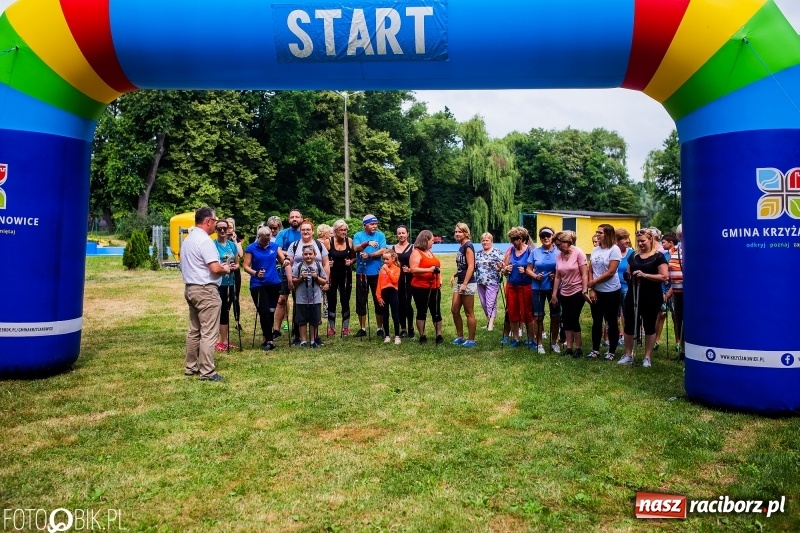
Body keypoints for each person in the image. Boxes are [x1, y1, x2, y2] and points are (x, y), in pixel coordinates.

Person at [182, 207, 230, 381]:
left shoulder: (188, 240)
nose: (216, 224)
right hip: (206, 290)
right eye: (215, 221)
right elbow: (214, 268)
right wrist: (225, 268)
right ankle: (207, 371)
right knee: (209, 332)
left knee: (194, 330)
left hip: (191, 288)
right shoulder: (205, 241)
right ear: (208, 221)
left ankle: (190, 366)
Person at [617, 229, 669, 367]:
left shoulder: (658, 256)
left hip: (651, 295)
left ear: (650, 240)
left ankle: (647, 357)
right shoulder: (633, 256)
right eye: (638, 241)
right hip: (633, 294)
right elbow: (627, 272)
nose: (640, 243)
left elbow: (664, 276)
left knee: (649, 325)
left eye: (642, 241)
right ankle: (628, 354)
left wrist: (645, 275)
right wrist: (629, 277)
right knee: (629, 323)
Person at [285, 219, 330, 344]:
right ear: (300, 231)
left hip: (316, 281)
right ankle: (299, 337)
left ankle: (314, 338)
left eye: (308, 229)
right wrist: (290, 280)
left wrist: (326, 281)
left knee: (315, 309)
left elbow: (326, 264)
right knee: (300, 308)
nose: (305, 232)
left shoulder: (319, 245)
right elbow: (289, 263)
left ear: (313, 231)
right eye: (303, 229)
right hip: (299, 282)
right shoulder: (294, 245)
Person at [243, 226, 284, 351]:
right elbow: (245, 266)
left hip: (274, 283)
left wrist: (286, 262)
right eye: (264, 240)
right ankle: (270, 340)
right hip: (258, 284)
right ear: (258, 237)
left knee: (271, 311)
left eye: (268, 240)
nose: (266, 243)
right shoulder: (251, 248)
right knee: (264, 311)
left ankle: (266, 336)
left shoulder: (274, 246)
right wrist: (255, 273)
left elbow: (282, 259)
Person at [551, 231, 589, 358]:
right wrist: (554, 294)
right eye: (556, 245)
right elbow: (557, 276)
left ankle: (578, 348)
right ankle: (569, 348)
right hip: (564, 292)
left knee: (573, 318)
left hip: (577, 291)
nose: (557, 247)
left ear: (567, 242)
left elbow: (585, 273)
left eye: (559, 244)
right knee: (566, 319)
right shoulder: (559, 255)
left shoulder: (579, 252)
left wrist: (584, 291)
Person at [587, 224, 622, 360]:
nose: (597, 235)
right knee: (596, 320)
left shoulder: (614, 250)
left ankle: (611, 351)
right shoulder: (595, 249)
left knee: (611, 321)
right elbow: (591, 269)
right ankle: (595, 350)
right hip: (597, 291)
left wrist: (594, 282)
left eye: (600, 232)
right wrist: (592, 288)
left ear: (608, 234)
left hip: (611, 291)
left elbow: (611, 272)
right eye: (597, 232)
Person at [525, 227, 560, 354]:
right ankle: (539, 343)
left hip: (553, 288)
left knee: (555, 316)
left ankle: (554, 342)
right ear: (540, 238)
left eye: (548, 235)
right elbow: (528, 269)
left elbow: (563, 269)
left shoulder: (559, 252)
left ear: (552, 237)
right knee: (538, 316)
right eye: (543, 236)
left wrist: (555, 274)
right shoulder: (535, 252)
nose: (546, 238)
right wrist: (535, 276)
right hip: (537, 287)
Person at [353, 214, 387, 338]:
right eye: (372, 224)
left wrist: (370, 255)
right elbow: (355, 248)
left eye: (376, 224)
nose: (375, 226)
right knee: (361, 301)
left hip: (377, 273)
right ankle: (362, 328)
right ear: (365, 225)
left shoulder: (380, 235)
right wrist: (366, 243)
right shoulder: (358, 235)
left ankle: (379, 328)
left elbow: (384, 250)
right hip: (362, 273)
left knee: (379, 300)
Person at [409, 229, 444, 344]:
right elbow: (413, 269)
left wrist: (440, 278)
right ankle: (422, 335)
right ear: (426, 239)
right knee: (422, 311)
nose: (433, 242)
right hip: (420, 287)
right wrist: (429, 270)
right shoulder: (416, 252)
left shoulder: (429, 252)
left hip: (434, 286)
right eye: (432, 240)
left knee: (436, 311)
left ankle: (439, 335)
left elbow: (437, 267)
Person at [501, 227, 534, 348]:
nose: (513, 242)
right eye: (511, 239)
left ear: (522, 239)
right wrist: (505, 269)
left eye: (515, 239)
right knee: (513, 313)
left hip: (526, 286)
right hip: (511, 286)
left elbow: (535, 269)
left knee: (527, 314)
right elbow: (503, 270)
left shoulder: (530, 251)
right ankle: (515, 338)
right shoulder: (510, 251)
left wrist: (526, 271)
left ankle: (531, 339)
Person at [273, 209, 302, 338]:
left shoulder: (305, 233)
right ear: (288, 219)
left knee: (299, 301)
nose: (294, 219)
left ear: (301, 218)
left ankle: (297, 329)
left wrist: (290, 254)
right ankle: (276, 329)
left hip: (300, 271)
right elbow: (277, 250)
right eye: (292, 217)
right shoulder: (282, 234)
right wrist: (287, 257)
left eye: (297, 217)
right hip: (284, 271)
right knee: (281, 300)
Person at [292, 245, 327, 348]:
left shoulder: (318, 265)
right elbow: (293, 281)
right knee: (302, 319)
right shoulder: (299, 266)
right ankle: (303, 340)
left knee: (314, 319)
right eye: (306, 254)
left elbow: (324, 281)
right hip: (301, 297)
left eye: (310, 254)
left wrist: (316, 277)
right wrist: (301, 278)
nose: (308, 256)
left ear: (315, 255)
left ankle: (312, 340)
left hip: (315, 297)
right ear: (302, 255)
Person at [324, 219, 355, 336]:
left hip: (345, 275)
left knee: (345, 299)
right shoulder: (329, 242)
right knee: (331, 300)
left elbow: (354, 257)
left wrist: (350, 262)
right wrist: (327, 263)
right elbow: (322, 258)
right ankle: (332, 328)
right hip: (332, 275)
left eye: (345, 230)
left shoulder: (349, 241)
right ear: (335, 231)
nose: (344, 232)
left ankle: (345, 327)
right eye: (341, 230)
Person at [213, 218, 239, 351]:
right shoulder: (212, 244)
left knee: (226, 311)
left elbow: (237, 262)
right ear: (216, 230)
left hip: (230, 281)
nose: (223, 230)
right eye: (219, 228)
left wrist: (234, 266)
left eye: (225, 228)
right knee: (218, 310)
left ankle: (224, 340)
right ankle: (216, 340)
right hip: (218, 283)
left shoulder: (232, 245)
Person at [450, 223, 477, 347]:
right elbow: (462, 266)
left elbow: (471, 266)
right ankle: (460, 336)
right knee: (454, 309)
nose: (457, 234)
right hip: (460, 281)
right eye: (456, 232)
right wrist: (454, 275)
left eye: (459, 232)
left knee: (468, 312)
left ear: (466, 233)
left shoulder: (468, 246)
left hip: (468, 283)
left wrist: (465, 284)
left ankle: (471, 340)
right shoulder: (461, 246)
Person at [475, 232, 504, 331]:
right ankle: (488, 321)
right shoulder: (478, 253)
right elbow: (474, 267)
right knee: (483, 303)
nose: (485, 242)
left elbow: (502, 267)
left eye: (487, 240)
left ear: (491, 241)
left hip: (492, 282)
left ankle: (491, 325)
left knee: (490, 303)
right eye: (483, 240)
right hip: (480, 281)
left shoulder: (497, 252)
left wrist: (499, 267)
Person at [662, 232, 683, 353]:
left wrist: (669, 292)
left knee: (684, 319)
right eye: (679, 235)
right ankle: (683, 350)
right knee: (678, 318)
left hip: (685, 292)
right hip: (675, 291)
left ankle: (684, 347)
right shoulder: (673, 251)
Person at [614, 227, 635, 348]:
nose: (627, 241)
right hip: (612, 288)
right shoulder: (612, 252)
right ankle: (614, 337)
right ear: (617, 240)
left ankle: (625, 336)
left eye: (628, 238)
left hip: (627, 288)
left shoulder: (632, 253)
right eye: (624, 238)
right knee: (613, 315)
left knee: (625, 314)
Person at [393, 225, 415, 338]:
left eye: (403, 233)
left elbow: (417, 263)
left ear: (407, 234)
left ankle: (411, 327)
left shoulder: (413, 247)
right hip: (397, 279)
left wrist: (410, 270)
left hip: (409, 278)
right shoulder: (393, 248)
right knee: (399, 304)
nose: (401, 235)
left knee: (407, 303)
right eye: (399, 233)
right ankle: (403, 329)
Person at [377, 249, 402, 345]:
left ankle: (397, 336)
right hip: (384, 293)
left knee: (395, 315)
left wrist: (387, 270)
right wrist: (379, 297)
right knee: (385, 315)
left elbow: (394, 280)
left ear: (393, 258)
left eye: (387, 259)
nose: (385, 261)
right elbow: (379, 284)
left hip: (393, 293)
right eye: (384, 259)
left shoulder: (397, 269)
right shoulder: (381, 270)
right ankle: (387, 335)